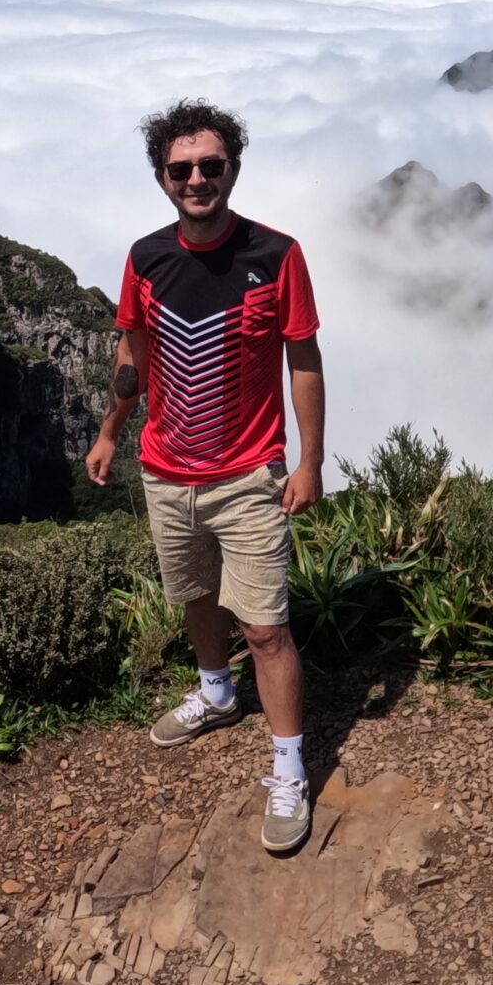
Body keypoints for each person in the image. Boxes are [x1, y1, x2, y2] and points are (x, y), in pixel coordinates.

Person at [85, 98, 326, 852]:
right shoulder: (145, 257)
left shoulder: (276, 254)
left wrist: (310, 460)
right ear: (162, 178)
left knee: (265, 627)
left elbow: (304, 360)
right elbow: (134, 353)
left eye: (210, 166)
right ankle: (217, 695)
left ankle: (289, 768)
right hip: (165, 468)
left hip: (250, 473)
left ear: (234, 169)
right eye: (182, 169)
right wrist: (110, 432)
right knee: (194, 595)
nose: (197, 179)